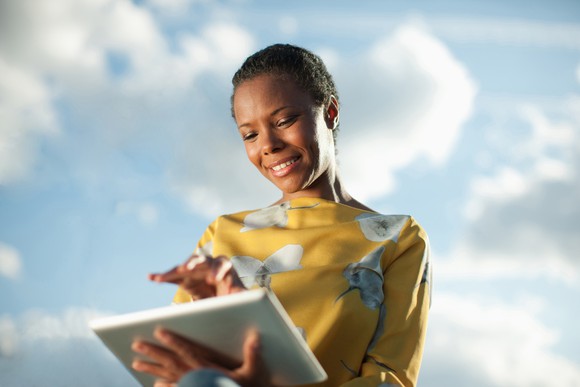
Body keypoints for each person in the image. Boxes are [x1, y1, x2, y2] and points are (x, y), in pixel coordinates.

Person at [131, 43, 431, 387]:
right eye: (250, 134)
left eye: (285, 120)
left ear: (330, 112)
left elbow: (390, 378)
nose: (268, 144)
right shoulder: (221, 234)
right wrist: (202, 322)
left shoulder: (398, 237)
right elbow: (177, 372)